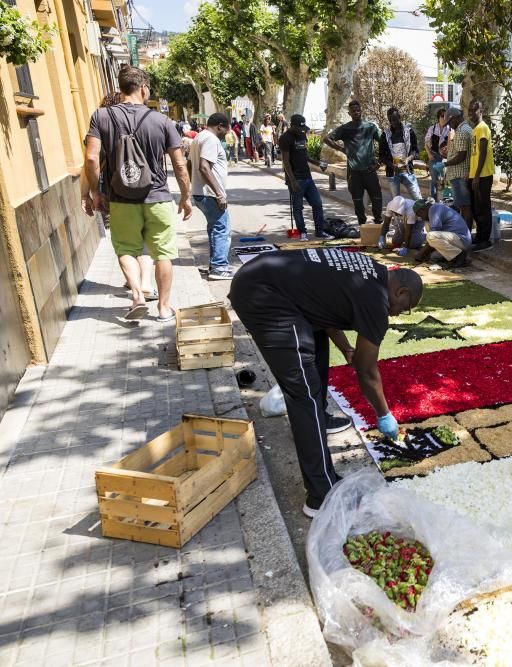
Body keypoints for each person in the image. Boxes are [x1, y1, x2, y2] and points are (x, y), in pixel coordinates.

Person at [229, 250, 424, 517]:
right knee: (303, 392)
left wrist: (345, 349)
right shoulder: (376, 300)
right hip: (264, 295)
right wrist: (383, 415)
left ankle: (318, 419)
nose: (401, 314)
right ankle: (320, 495)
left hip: (266, 279)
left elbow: (324, 309)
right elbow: (367, 371)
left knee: (316, 348)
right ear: (401, 292)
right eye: (406, 307)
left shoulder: (371, 273)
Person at [84, 65, 192, 323]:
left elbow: (90, 158)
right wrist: (186, 197)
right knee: (162, 254)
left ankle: (137, 296)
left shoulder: (101, 117)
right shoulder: (163, 121)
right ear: (143, 88)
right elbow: (179, 164)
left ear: (121, 88)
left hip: (121, 199)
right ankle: (164, 308)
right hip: (158, 198)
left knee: (126, 249)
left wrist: (96, 192)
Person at [190, 113, 234, 280]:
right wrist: (219, 193)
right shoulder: (210, 139)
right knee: (221, 228)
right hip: (210, 194)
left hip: (201, 192)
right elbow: (204, 166)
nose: (226, 134)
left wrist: (193, 185)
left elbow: (190, 165)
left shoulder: (199, 137)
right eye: (226, 130)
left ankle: (215, 264)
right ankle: (219, 267)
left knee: (214, 228)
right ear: (220, 126)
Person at [325, 100, 382, 225]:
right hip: (354, 172)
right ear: (349, 113)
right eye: (353, 111)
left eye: (358, 110)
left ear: (361, 111)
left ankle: (378, 223)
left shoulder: (370, 127)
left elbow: (384, 142)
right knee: (357, 201)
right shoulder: (345, 129)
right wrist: (341, 149)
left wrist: (380, 162)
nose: (356, 112)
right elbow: (327, 138)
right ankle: (362, 224)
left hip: (370, 170)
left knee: (377, 198)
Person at [279, 114, 332, 241]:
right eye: (300, 128)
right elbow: (285, 161)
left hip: (307, 177)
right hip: (295, 179)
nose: (302, 131)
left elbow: (304, 155)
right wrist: (292, 180)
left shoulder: (302, 134)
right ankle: (302, 232)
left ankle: (319, 231)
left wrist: (318, 163)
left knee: (317, 204)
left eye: (303, 128)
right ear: (292, 126)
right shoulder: (285, 138)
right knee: (298, 207)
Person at [467, 99, 496, 250]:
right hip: (475, 175)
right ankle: (479, 236)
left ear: (481, 111)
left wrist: (477, 175)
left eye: (474, 110)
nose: (471, 113)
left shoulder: (483, 128)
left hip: (483, 175)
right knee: (476, 208)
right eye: (469, 111)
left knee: (483, 208)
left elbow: (483, 152)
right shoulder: (474, 129)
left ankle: (484, 240)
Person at [412, 199, 472, 268]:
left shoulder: (433, 209)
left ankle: (460, 256)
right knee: (434, 256)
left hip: (462, 240)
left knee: (431, 236)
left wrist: (421, 253)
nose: (421, 218)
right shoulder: (435, 208)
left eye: (419, 215)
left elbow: (433, 236)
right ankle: (454, 255)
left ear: (422, 210)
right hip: (457, 239)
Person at [379, 107, 422, 200]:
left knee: (418, 199)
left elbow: (415, 151)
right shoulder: (385, 135)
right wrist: (391, 165)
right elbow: (382, 156)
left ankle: (422, 213)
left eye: (394, 119)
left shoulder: (409, 132)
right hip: (392, 173)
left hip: (408, 171)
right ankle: (398, 215)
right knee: (396, 202)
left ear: (399, 117)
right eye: (390, 120)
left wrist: (408, 159)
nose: (392, 122)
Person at [443, 108, 474, 228]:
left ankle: (465, 236)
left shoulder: (461, 131)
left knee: (465, 207)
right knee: (464, 206)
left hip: (459, 175)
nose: (450, 126)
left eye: (450, 123)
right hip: (461, 175)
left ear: (454, 119)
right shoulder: (465, 129)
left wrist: (445, 164)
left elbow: (461, 156)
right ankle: (465, 234)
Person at [425, 108, 450, 201]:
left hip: (444, 158)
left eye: (446, 116)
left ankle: (445, 200)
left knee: (443, 180)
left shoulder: (449, 130)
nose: (444, 118)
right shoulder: (433, 128)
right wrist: (429, 154)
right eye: (442, 116)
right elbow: (426, 143)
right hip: (434, 156)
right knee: (434, 180)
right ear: (438, 117)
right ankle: (434, 201)